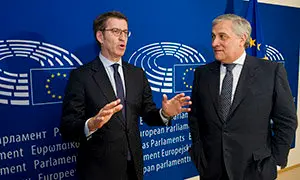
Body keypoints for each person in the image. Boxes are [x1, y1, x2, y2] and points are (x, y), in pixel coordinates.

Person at [60, 11, 191, 180]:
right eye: (116, 32)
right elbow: (67, 127)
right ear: (100, 36)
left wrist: (165, 113)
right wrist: (91, 124)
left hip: (133, 168)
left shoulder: (137, 74)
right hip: (99, 171)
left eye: (125, 32)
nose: (123, 38)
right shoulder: (81, 76)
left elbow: (149, 114)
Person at [188, 14, 297, 180]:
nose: (214, 43)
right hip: (212, 169)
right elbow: (195, 117)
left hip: (255, 169)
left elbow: (287, 120)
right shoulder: (202, 74)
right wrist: (198, 152)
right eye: (213, 36)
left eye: (222, 36)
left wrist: (275, 160)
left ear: (242, 39)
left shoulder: (271, 71)